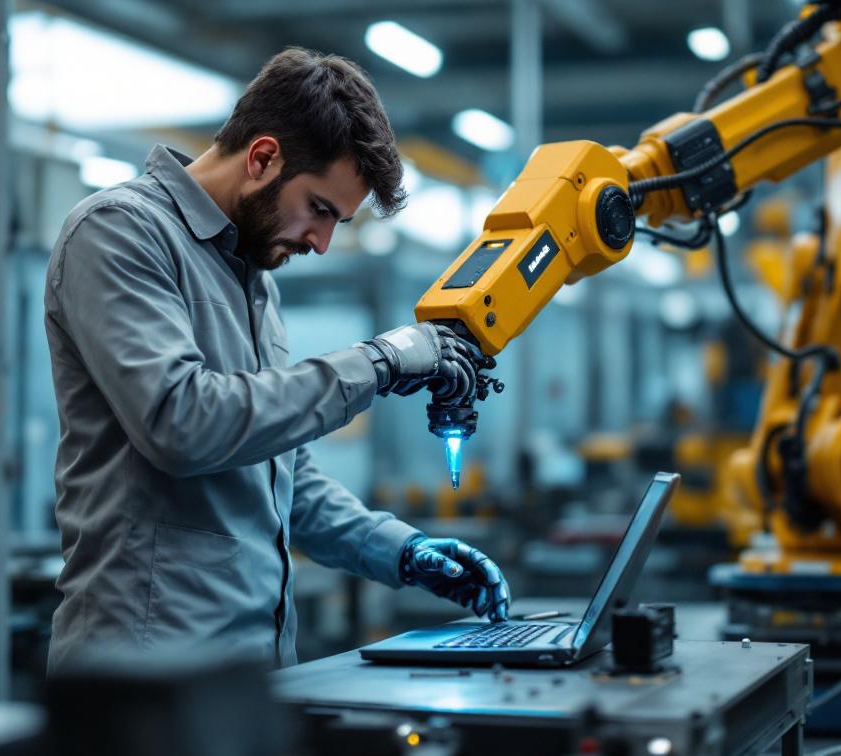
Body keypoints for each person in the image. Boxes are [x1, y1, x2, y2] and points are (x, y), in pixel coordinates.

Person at [44, 47, 511, 670]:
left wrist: (399, 549)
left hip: (255, 676)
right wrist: (377, 363)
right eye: (320, 209)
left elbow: (278, 475)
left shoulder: (254, 274)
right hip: (143, 678)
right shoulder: (119, 234)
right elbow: (181, 423)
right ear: (262, 158)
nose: (321, 242)